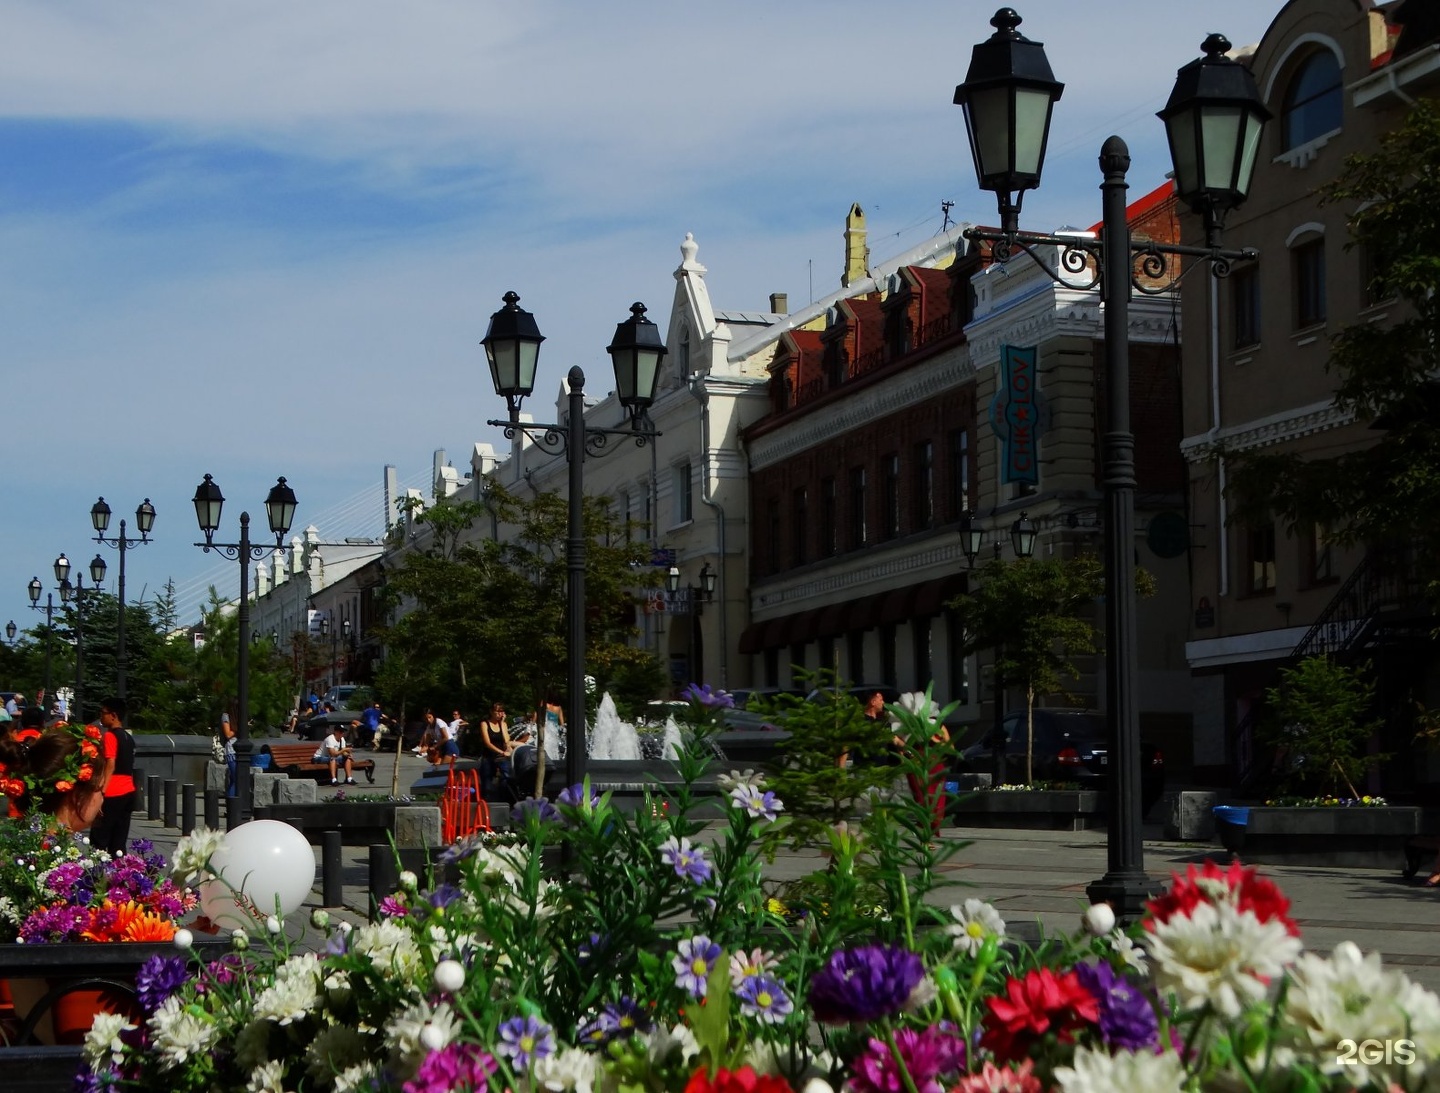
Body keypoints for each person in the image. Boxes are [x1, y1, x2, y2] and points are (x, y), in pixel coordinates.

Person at [0, 722, 107, 830]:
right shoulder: (58, 845)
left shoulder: (22, 840)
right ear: (77, 795)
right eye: (100, 789)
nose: (102, 800)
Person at [89, 696, 138, 856]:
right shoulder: (128, 738)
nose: (101, 716)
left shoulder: (110, 736)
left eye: (103, 713)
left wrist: (101, 791)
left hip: (112, 791)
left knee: (99, 838)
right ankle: (119, 875)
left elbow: (111, 764)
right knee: (119, 841)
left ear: (113, 715)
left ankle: (97, 875)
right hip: (128, 790)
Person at [478, 703, 514, 796]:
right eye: (497, 711)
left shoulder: (503, 724)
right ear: (491, 712)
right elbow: (487, 743)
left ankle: (503, 797)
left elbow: (506, 741)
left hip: (501, 757)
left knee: (506, 778)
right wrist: (501, 752)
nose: (499, 714)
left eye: (501, 712)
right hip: (489, 756)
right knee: (487, 781)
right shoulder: (485, 724)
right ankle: (486, 799)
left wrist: (502, 723)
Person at [220, 713, 237, 797]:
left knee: (235, 779)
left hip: (240, 751)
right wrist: (240, 728)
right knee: (235, 779)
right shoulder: (226, 716)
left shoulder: (239, 716)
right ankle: (231, 805)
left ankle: (233, 803)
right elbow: (228, 734)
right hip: (231, 751)